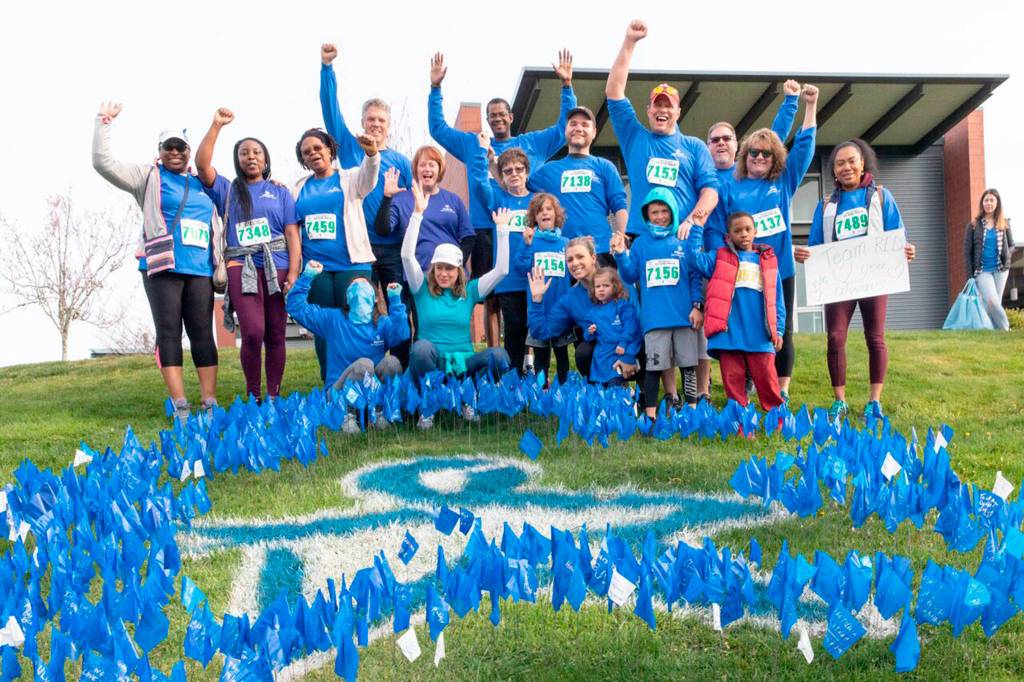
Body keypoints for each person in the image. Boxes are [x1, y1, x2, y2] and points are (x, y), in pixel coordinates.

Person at [429, 50, 577, 346]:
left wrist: (566, 87)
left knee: (527, 288)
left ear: (511, 117)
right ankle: (497, 355)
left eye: (501, 114)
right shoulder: (473, 144)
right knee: (493, 295)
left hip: (523, 229)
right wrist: (435, 89)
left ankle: (532, 351)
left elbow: (564, 128)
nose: (497, 119)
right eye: (491, 116)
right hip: (486, 229)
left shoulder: (531, 143)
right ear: (486, 120)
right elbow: (439, 129)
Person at [92, 102, 222, 421]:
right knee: (168, 331)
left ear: (190, 152)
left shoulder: (205, 183)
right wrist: (104, 124)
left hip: (201, 269)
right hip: (163, 267)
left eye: (181, 147)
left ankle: (209, 401)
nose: (175, 152)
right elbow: (103, 163)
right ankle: (180, 404)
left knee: (203, 332)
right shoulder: (148, 177)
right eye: (169, 147)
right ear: (160, 150)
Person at [708, 84, 819, 403]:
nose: (759, 156)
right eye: (753, 152)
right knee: (742, 329)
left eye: (766, 153)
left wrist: (807, 106)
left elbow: (804, 147)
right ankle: (743, 386)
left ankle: (781, 391)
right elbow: (717, 227)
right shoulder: (732, 187)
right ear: (745, 156)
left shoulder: (782, 182)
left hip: (779, 270)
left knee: (781, 331)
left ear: (775, 159)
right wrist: (721, 260)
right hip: (740, 273)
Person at [794, 138, 916, 422]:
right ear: (833, 171)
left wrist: (907, 250)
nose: (846, 167)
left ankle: (874, 401)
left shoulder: (881, 196)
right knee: (835, 337)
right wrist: (803, 254)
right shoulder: (825, 206)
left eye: (852, 161)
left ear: (863, 164)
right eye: (840, 163)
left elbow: (898, 236)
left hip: (874, 279)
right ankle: (840, 400)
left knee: (875, 337)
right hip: (838, 282)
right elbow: (814, 247)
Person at [195, 108, 301, 402]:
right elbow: (202, 165)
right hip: (241, 265)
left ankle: (273, 395)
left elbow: (292, 234)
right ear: (237, 160)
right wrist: (216, 125)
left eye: (256, 152)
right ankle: (253, 394)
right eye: (244, 153)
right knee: (253, 332)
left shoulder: (280, 192)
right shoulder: (227, 190)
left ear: (265, 159)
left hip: (277, 266)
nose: (251, 157)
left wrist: (293, 272)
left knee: (276, 333)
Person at [401, 184, 512, 429]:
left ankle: (468, 396)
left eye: (449, 268)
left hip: (464, 364)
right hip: (433, 363)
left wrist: (502, 231)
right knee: (420, 348)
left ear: (458, 270)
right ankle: (429, 404)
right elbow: (407, 257)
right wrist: (418, 213)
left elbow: (502, 270)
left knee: (499, 356)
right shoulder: (420, 288)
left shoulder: (470, 291)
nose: (443, 273)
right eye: (439, 267)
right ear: (433, 268)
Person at [605, 20, 718, 239]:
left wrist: (693, 220)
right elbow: (614, 91)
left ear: (678, 112)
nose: (662, 110)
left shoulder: (693, 146)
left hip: (682, 235)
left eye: (668, 106)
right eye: (657, 104)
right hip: (641, 235)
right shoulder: (634, 137)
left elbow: (710, 192)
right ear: (648, 110)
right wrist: (630, 42)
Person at [320, 43, 413, 300]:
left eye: (381, 120)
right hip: (359, 246)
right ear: (362, 122)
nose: (376, 124)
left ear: (389, 126)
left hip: (394, 248)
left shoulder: (402, 162)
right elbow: (331, 110)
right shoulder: (350, 148)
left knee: (399, 309)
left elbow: (412, 205)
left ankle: (402, 343)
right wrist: (327, 68)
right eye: (371, 119)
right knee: (362, 309)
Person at [292, 127, 380, 384]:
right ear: (303, 159)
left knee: (360, 322)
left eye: (318, 148)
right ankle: (331, 385)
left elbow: (369, 178)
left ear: (330, 149)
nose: (313, 154)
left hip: (352, 266)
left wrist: (372, 154)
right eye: (306, 152)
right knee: (324, 330)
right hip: (316, 271)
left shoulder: (350, 178)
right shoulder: (298, 189)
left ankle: (367, 381)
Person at [286, 261, 409, 433]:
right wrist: (306, 277)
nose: (359, 289)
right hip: (338, 394)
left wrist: (395, 301)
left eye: (364, 285)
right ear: (347, 297)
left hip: (370, 391)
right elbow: (295, 307)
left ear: (374, 297)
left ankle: (379, 411)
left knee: (393, 363)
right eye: (353, 287)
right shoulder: (332, 319)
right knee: (364, 365)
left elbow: (402, 334)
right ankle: (346, 415)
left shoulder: (382, 323)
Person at [612, 188, 703, 417]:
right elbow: (630, 276)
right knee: (654, 367)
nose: (660, 216)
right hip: (654, 320)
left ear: (673, 212)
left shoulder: (682, 240)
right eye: (654, 212)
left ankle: (691, 412)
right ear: (647, 215)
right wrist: (621, 254)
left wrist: (697, 305)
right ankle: (651, 416)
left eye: (664, 211)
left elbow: (694, 276)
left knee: (688, 366)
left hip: (684, 317)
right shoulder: (641, 244)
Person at [687, 213, 785, 411]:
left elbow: (777, 300)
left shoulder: (767, 260)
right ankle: (740, 419)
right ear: (728, 236)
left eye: (748, 229)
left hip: (760, 335)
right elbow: (695, 259)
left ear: (755, 231)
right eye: (737, 231)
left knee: (767, 379)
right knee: (733, 380)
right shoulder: (719, 257)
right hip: (729, 334)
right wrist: (697, 228)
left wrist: (779, 330)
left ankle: (779, 419)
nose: (744, 234)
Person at [527, 237, 640, 382]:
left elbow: (638, 324)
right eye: (570, 260)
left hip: (632, 348)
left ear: (593, 258)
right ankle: (598, 390)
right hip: (604, 353)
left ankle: (643, 392)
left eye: (580, 257)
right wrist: (537, 300)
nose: (575, 263)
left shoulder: (618, 282)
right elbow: (541, 332)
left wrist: (629, 356)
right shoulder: (570, 299)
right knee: (583, 352)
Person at [526, 105, 628, 263]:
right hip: (561, 253)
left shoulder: (605, 166)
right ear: (565, 130)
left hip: (600, 250)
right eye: (573, 124)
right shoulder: (548, 170)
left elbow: (619, 205)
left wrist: (622, 239)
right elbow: (516, 188)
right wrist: (492, 165)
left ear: (594, 132)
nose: (578, 128)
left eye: (585, 124)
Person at [469, 147, 534, 374]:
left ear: (527, 172)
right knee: (514, 330)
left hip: (535, 277)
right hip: (509, 279)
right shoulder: (498, 198)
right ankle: (513, 379)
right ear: (502, 176)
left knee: (535, 329)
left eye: (519, 169)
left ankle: (538, 377)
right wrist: (482, 158)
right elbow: (479, 185)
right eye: (507, 171)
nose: (514, 174)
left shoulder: (537, 200)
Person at [376, 147, 474, 272]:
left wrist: (456, 266)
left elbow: (469, 237)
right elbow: (382, 230)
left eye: (432, 165)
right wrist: (387, 197)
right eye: (422, 165)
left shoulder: (453, 200)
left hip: (451, 276)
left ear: (440, 169)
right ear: (416, 170)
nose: (427, 169)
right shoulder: (401, 200)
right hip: (418, 277)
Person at [512, 193, 572, 385]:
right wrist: (526, 245)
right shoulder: (531, 241)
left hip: (561, 309)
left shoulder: (566, 243)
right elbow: (521, 268)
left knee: (562, 355)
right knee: (541, 355)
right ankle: (541, 391)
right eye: (540, 211)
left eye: (548, 209)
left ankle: (563, 389)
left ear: (556, 214)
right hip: (539, 309)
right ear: (534, 217)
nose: (545, 213)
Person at [580, 268, 642, 387]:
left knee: (615, 388)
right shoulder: (592, 313)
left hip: (619, 354)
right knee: (599, 392)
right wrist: (590, 332)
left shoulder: (622, 306)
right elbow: (587, 337)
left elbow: (632, 327)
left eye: (606, 285)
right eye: (598, 286)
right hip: (601, 357)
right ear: (593, 289)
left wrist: (623, 343)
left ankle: (628, 396)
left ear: (615, 287)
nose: (601, 289)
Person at [964, 189, 1016, 330]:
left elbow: (1011, 245)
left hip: (1001, 270)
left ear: (997, 203)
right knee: (992, 302)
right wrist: (970, 276)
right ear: (982, 203)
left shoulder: (1004, 223)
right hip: (982, 271)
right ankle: (1005, 329)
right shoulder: (974, 225)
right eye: (986, 200)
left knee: (994, 303)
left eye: (992, 200)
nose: (989, 203)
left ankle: (992, 332)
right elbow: (967, 252)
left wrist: (1007, 258)